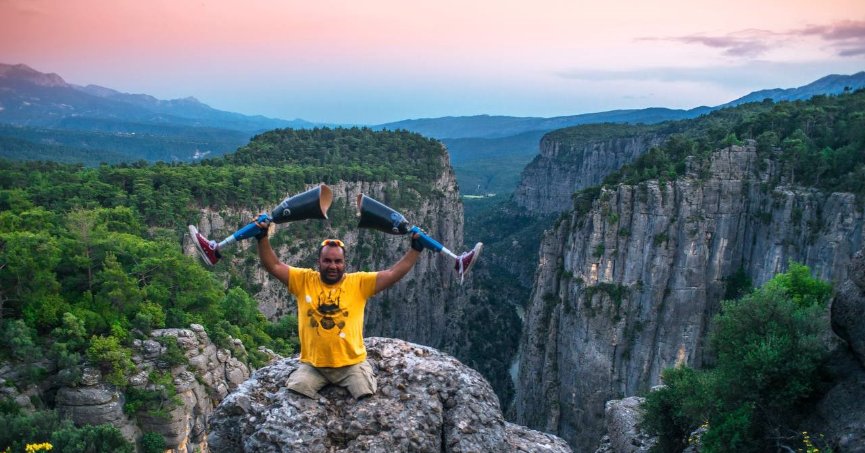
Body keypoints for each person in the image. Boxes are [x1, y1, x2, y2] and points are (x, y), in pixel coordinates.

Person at [254, 217, 423, 400]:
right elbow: (274, 265)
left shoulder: (358, 283)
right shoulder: (303, 281)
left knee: (366, 396)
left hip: (351, 365)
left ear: (344, 263)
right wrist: (262, 237)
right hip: (314, 365)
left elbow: (392, 274)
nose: (332, 266)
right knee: (296, 392)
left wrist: (415, 249)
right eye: (327, 261)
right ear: (318, 262)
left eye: (337, 261)